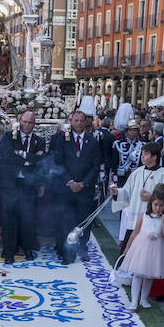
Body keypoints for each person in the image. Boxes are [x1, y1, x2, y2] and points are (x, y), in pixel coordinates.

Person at [52, 106, 105, 263]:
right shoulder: (63, 139)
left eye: (82, 120)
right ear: (71, 122)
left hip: (85, 189)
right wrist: (70, 182)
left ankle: (82, 248)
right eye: (76, 120)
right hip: (67, 188)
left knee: (84, 222)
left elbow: (96, 165)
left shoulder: (93, 141)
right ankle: (68, 253)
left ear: (86, 122)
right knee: (67, 221)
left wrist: (84, 183)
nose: (79, 123)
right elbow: (58, 162)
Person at [0, 112, 46, 264]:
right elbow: (6, 156)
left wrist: (21, 154)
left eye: (31, 123)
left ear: (34, 124)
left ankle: (27, 249)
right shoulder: (9, 137)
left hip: (28, 185)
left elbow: (41, 161)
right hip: (10, 184)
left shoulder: (40, 141)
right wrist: (29, 158)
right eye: (24, 122)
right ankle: (9, 251)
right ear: (19, 121)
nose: (27, 125)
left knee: (27, 218)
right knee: (9, 219)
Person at [123, 186, 164, 309]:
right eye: (155, 205)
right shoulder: (143, 216)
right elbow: (135, 232)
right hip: (141, 247)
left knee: (149, 275)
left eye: (161, 205)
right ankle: (134, 301)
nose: (158, 208)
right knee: (138, 274)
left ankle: (144, 299)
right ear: (151, 204)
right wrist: (127, 247)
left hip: (156, 249)